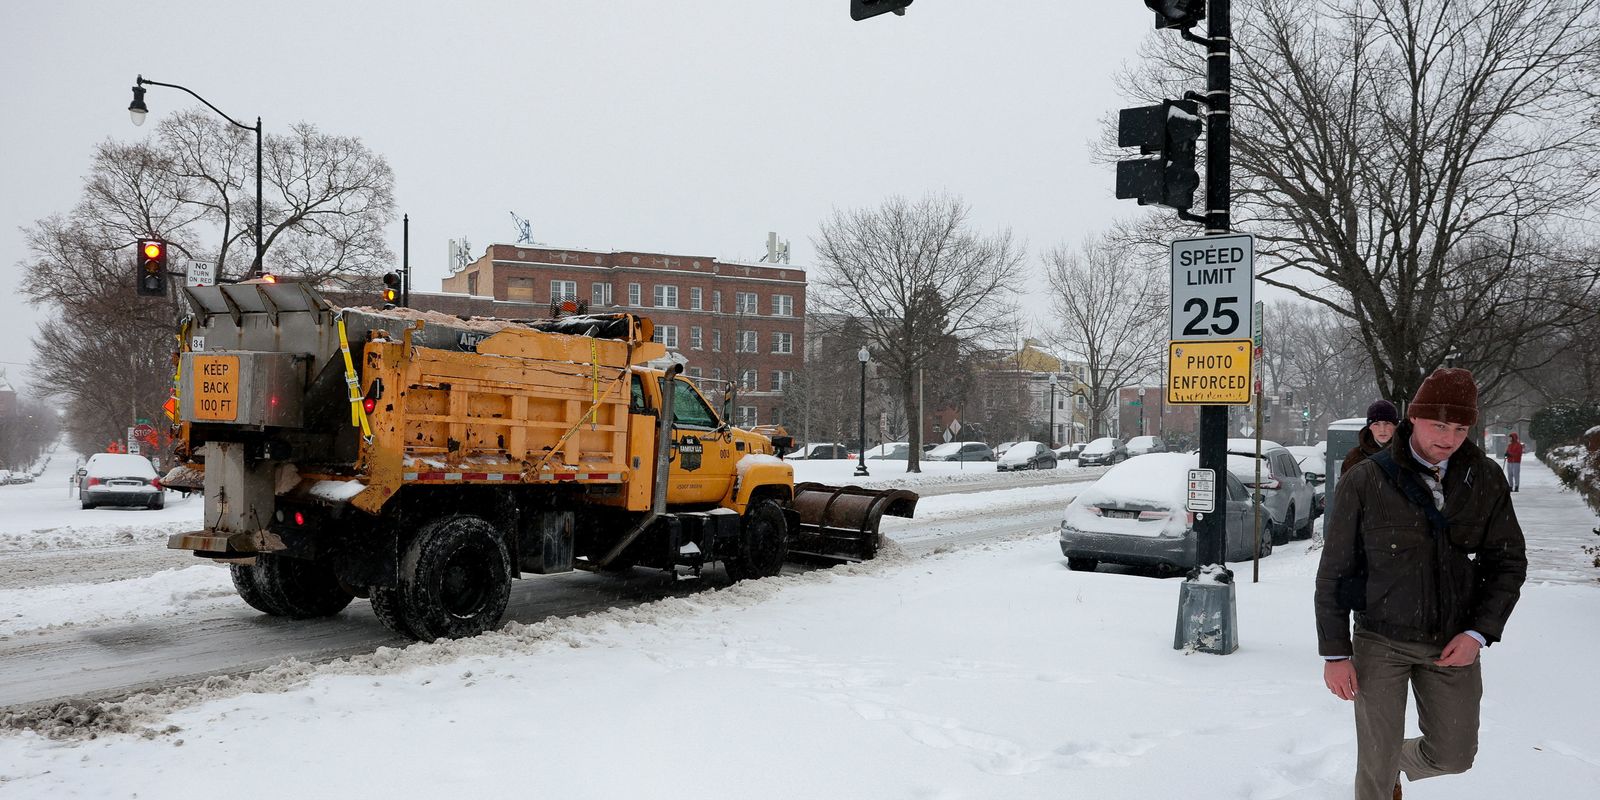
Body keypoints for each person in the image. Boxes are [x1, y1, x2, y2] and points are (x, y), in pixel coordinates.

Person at [1314, 368, 1527, 800]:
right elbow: (1335, 570)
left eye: (1460, 428)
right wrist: (1335, 652)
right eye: (1439, 425)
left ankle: (1394, 761)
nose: (1449, 438)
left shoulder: (1485, 478)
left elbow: (1508, 562)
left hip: (1452, 642)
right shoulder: (1366, 479)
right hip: (1380, 639)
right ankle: (1381, 766)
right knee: (1375, 766)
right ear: (1413, 418)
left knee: (1454, 755)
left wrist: (1477, 633)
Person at [1341, 399, 1400, 475]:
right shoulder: (1354, 458)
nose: (1382, 429)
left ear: (1395, 425)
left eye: (1387, 423)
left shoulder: (1407, 454)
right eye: (1376, 424)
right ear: (1369, 427)